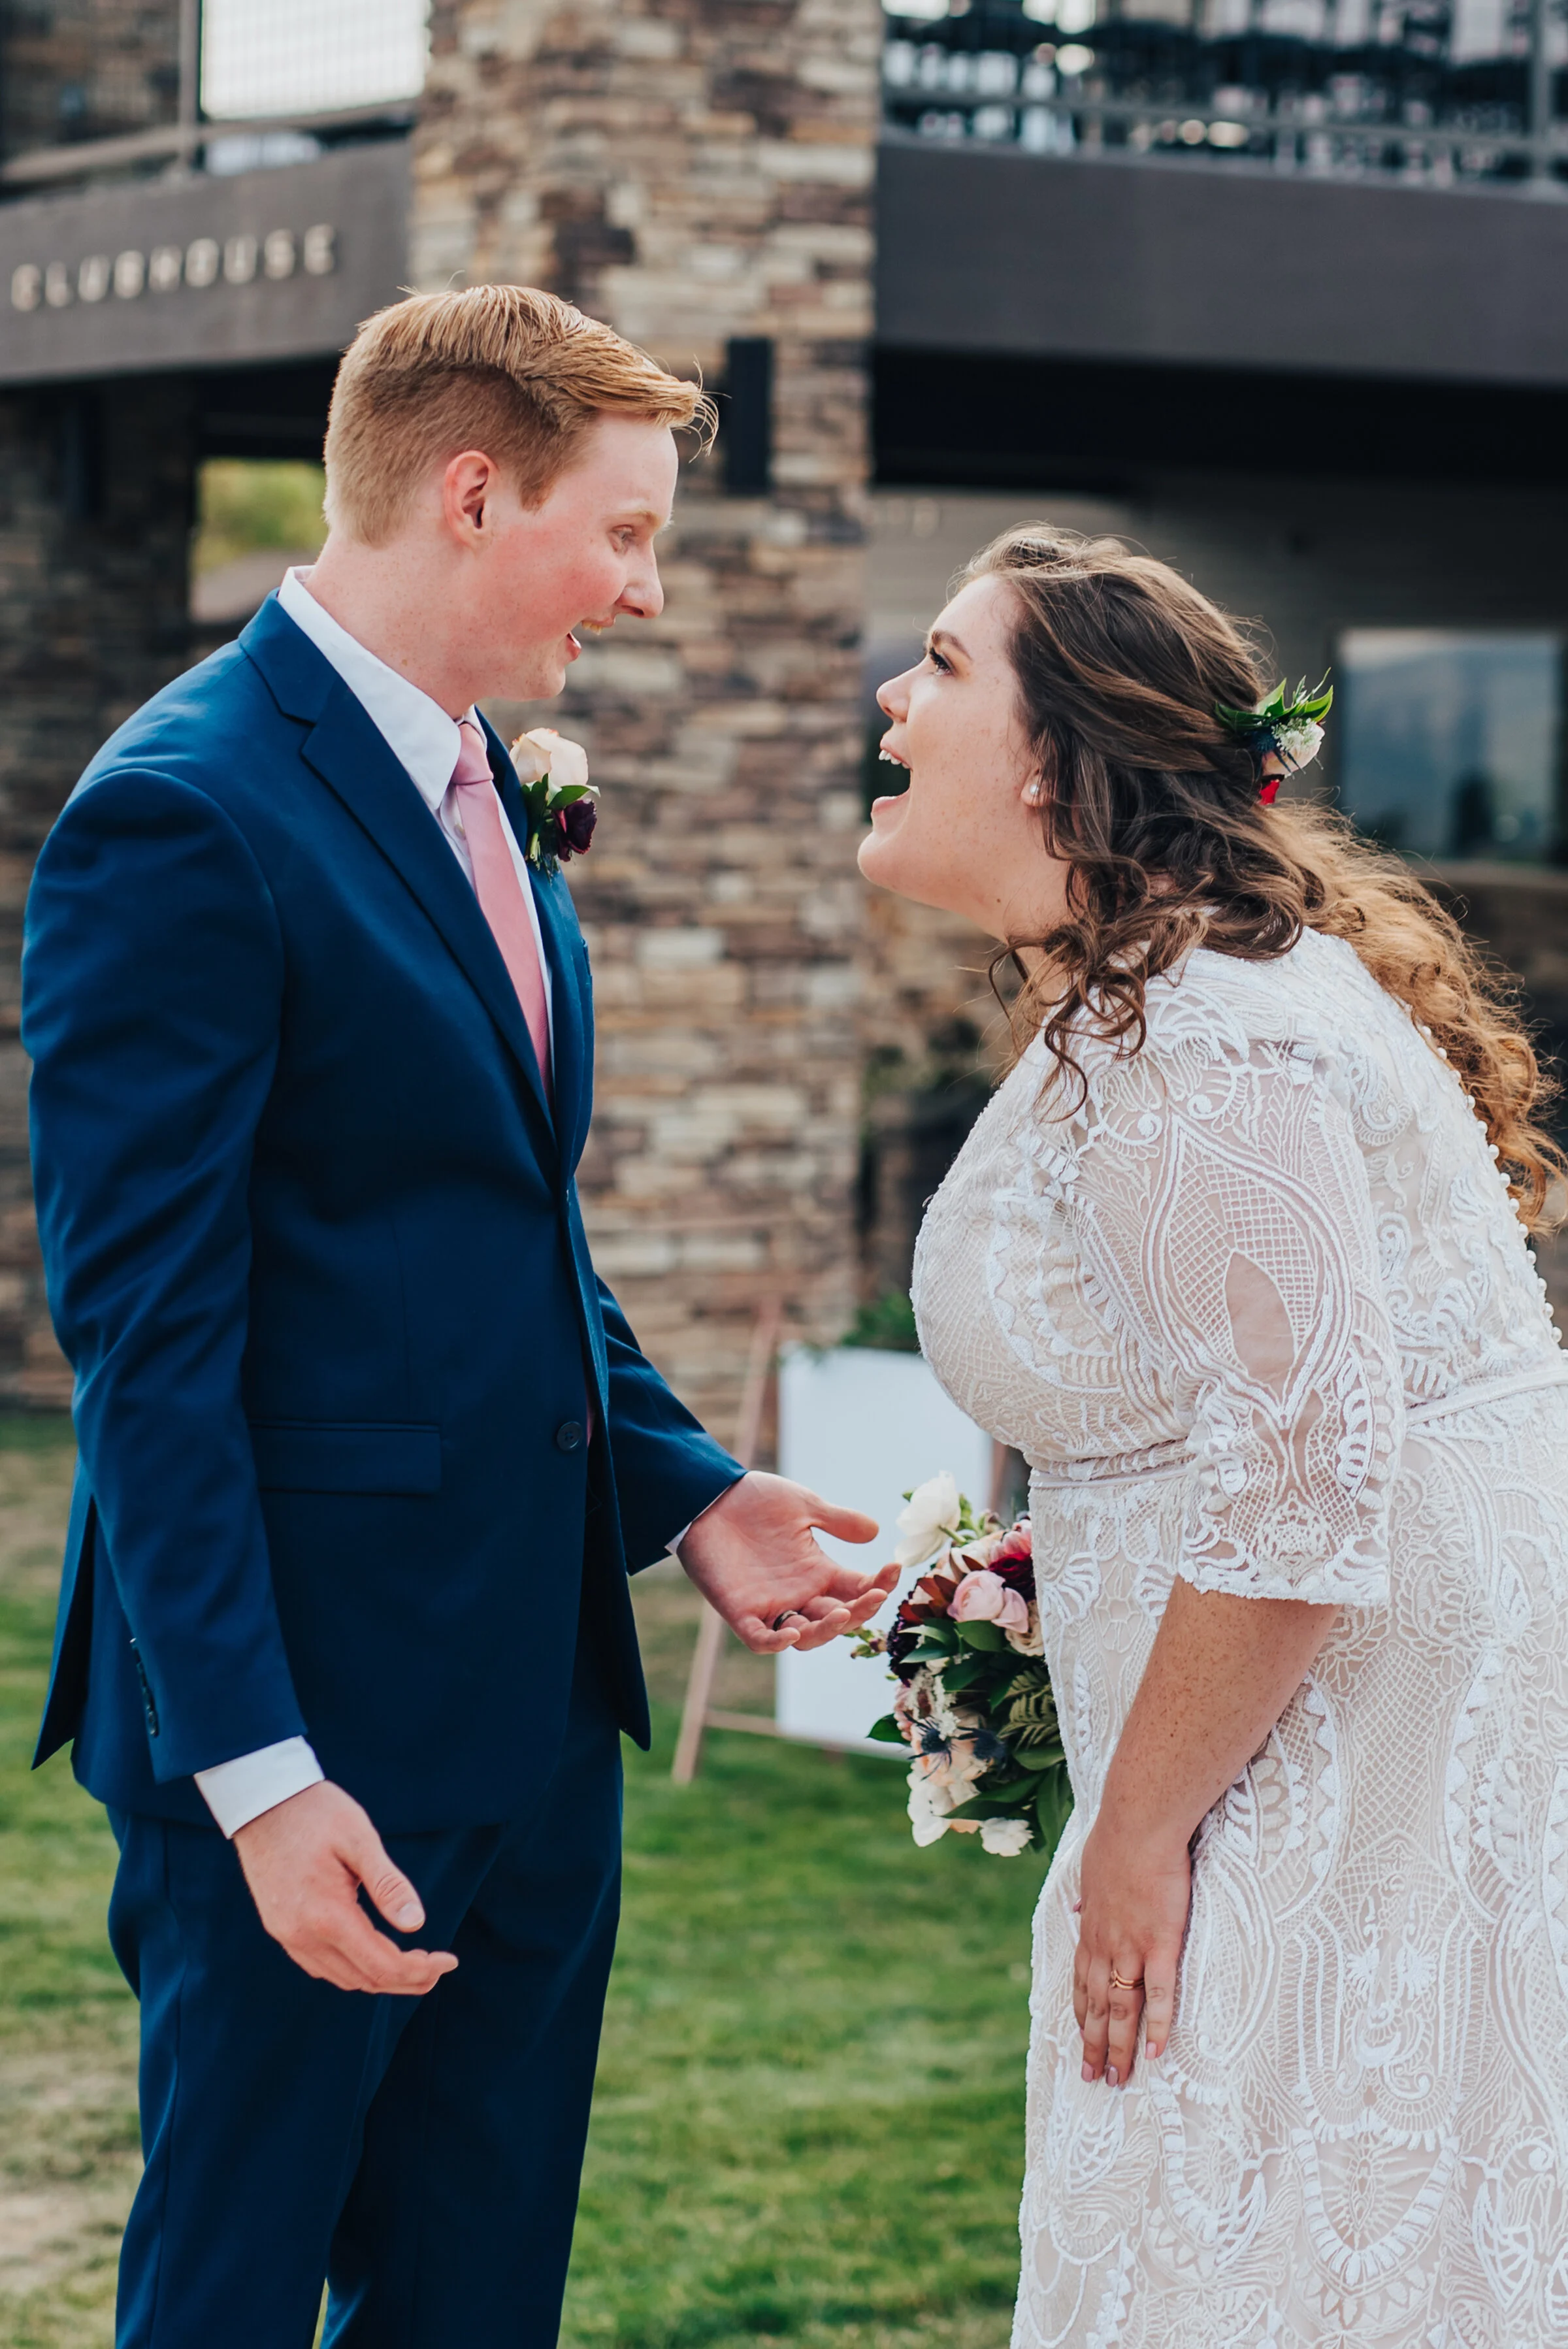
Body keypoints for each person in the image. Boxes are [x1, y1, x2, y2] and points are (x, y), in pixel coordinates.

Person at [24, 284, 894, 2349]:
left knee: (474, 2301)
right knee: (233, 2295)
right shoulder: (185, 813)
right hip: (309, 1737)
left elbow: (498, 1227)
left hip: (529, 1710)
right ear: (474, 493)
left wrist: (687, 1488)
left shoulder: (491, 784)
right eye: (625, 534)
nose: (650, 591)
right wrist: (258, 1775)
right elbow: (148, 1342)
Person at [861, 526, 1568, 2348]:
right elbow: (1252, 1392)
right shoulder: (1175, 994)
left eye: (940, 663)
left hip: (1333, 1741)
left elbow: (1317, 1468)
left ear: (1050, 757)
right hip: (1343, 1687)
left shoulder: (1194, 1034)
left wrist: (1137, 1835)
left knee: (1248, 2218)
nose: (890, 699)